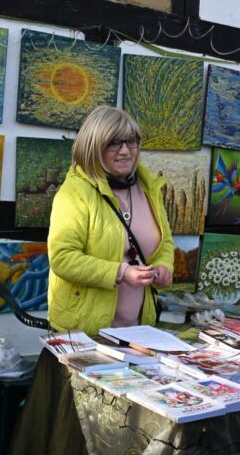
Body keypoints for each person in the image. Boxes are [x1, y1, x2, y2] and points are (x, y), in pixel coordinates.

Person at [47, 106, 175, 335]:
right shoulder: (75, 192)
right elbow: (63, 258)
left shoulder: (148, 188)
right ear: (93, 147)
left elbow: (164, 243)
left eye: (131, 141)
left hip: (138, 329)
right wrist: (121, 272)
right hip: (85, 330)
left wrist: (165, 267)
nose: (125, 151)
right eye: (114, 143)